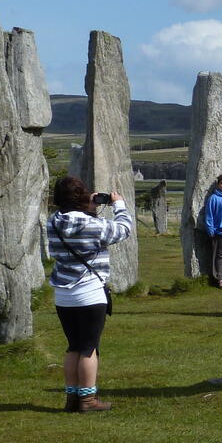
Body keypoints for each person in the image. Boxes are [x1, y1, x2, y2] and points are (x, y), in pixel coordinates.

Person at [47, 176, 133, 414]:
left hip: (63, 294)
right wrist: (118, 205)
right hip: (89, 292)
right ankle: (88, 399)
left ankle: (71, 397)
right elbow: (123, 229)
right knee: (88, 348)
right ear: (81, 198)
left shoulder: (53, 221)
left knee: (73, 347)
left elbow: (75, 218)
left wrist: (87, 205)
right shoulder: (89, 224)